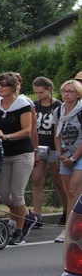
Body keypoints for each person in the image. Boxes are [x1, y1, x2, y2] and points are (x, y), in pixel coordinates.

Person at [0, 72, 35, 245]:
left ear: (14, 86)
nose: (0, 87)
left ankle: (19, 230)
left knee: (17, 193)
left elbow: (26, 130)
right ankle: (26, 215)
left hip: (22, 153)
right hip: (4, 154)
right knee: (2, 194)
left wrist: (6, 136)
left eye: (4, 84)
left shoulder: (23, 104)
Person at [31, 77, 66, 230]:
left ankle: (67, 210)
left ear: (49, 90)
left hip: (53, 146)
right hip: (39, 146)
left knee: (58, 181)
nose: (39, 95)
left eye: (41, 92)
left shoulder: (58, 106)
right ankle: (36, 214)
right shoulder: (34, 106)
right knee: (37, 180)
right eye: (36, 92)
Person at [54, 79, 82, 243]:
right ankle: (70, 227)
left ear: (78, 94)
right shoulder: (59, 110)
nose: (66, 94)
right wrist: (59, 154)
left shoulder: (80, 111)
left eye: (70, 91)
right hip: (65, 154)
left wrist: (73, 158)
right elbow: (57, 134)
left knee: (73, 190)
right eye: (64, 90)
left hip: (78, 155)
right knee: (70, 194)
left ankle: (71, 228)